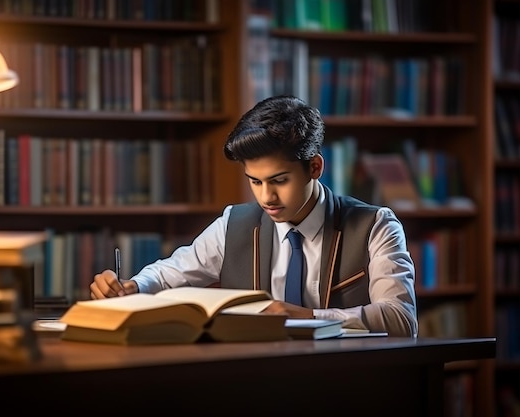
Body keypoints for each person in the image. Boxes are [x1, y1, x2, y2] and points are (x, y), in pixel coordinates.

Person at [90, 95, 418, 337]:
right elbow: (168, 274)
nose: (266, 197)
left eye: (279, 181)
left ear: (315, 167)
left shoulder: (376, 226)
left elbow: (401, 318)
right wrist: (132, 286)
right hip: (254, 383)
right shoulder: (234, 223)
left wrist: (311, 316)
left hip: (344, 385)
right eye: (255, 181)